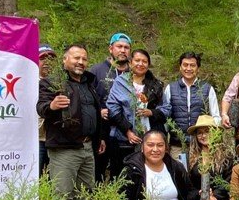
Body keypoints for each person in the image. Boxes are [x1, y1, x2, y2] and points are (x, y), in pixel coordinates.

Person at [37, 44, 107, 200]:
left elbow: (95, 111)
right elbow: (40, 106)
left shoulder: (89, 83)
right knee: (64, 192)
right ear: (65, 60)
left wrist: (100, 137)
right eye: (76, 58)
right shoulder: (53, 82)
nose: (81, 62)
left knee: (85, 191)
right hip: (64, 147)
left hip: (87, 145)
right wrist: (51, 106)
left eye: (84, 59)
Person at [106, 49, 170, 179]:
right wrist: (128, 131)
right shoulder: (121, 82)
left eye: (144, 61)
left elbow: (167, 109)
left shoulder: (156, 85)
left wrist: (152, 112)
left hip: (152, 139)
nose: (141, 64)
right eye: (137, 60)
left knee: (150, 176)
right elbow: (113, 108)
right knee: (124, 176)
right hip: (125, 140)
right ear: (130, 62)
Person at [88, 32, 132, 182]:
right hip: (102, 129)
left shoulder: (134, 73)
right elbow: (86, 98)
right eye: (119, 46)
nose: (123, 50)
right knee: (98, 172)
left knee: (122, 174)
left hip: (125, 131)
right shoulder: (96, 71)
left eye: (126, 47)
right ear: (110, 48)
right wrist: (97, 111)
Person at [163, 51, 221, 157]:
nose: (188, 68)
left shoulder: (207, 88)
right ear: (180, 67)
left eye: (192, 65)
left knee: (202, 173)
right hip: (177, 145)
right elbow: (166, 117)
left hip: (202, 145)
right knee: (179, 172)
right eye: (185, 65)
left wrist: (212, 140)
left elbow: (216, 117)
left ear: (198, 68)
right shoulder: (171, 88)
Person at [186, 115, 232, 200]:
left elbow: (228, 181)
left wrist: (214, 195)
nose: (203, 135)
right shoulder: (190, 156)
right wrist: (199, 193)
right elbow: (188, 185)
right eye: (200, 133)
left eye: (207, 131)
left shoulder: (226, 156)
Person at [38, 43, 56, 176]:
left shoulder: (60, 82)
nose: (47, 62)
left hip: (54, 139)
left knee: (54, 179)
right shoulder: (26, 82)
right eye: (43, 58)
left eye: (51, 59)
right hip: (35, 139)